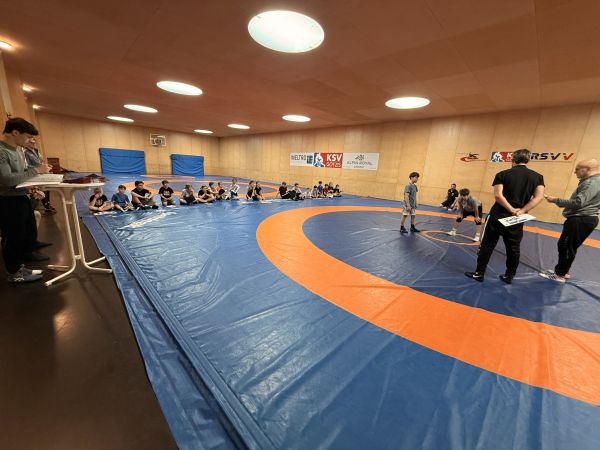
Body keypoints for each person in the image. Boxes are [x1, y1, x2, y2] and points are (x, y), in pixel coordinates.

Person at [465, 149, 545, 284]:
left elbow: (498, 195)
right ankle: (509, 276)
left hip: (498, 215)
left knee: (487, 245)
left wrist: (511, 209)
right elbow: (539, 197)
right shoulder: (537, 177)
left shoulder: (503, 174)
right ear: (527, 160)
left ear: (513, 159)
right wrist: (522, 210)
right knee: (513, 248)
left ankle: (479, 273)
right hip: (517, 218)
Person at [0, 117, 52, 282]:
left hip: (20, 196)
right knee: (13, 236)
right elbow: (7, 180)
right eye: (28, 137)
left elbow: (21, 174)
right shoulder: (2, 151)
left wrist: (32, 185)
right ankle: (14, 273)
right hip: (8, 200)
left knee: (26, 232)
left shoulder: (17, 150)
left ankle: (19, 266)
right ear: (15, 132)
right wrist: (36, 170)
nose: (30, 141)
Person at [539, 159, 600, 282]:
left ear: (587, 169)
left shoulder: (591, 182)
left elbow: (578, 203)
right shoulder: (595, 181)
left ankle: (560, 275)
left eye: (577, 169)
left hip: (581, 219)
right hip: (586, 218)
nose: (575, 172)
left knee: (566, 246)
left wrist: (556, 200)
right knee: (569, 246)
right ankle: (563, 271)